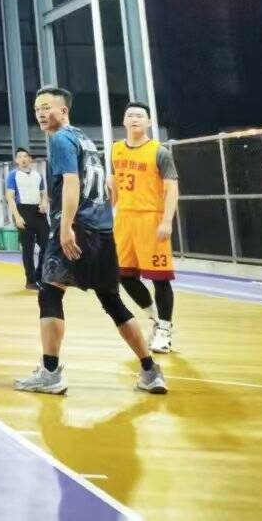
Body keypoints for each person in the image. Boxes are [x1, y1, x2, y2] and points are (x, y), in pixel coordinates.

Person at [14, 87, 167, 397]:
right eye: (37, 109)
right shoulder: (84, 139)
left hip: (77, 227)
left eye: (47, 107)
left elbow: (71, 183)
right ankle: (150, 371)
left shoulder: (61, 139)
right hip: (102, 231)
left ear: (63, 110)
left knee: (50, 293)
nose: (41, 113)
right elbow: (106, 188)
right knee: (112, 301)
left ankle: (50, 373)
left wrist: (66, 227)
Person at [111, 102, 179, 353]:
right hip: (124, 220)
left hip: (151, 219)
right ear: (124, 121)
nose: (135, 119)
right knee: (123, 275)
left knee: (160, 278)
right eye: (130, 115)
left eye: (140, 115)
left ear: (149, 122)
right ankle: (155, 317)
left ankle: (165, 331)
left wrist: (167, 220)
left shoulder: (159, 152)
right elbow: (113, 187)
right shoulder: (116, 150)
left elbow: (172, 189)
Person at [5, 148, 49, 291]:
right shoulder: (13, 175)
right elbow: (10, 197)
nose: (23, 159)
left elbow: (43, 194)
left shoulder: (38, 175)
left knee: (47, 244)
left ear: (30, 159)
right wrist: (17, 217)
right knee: (28, 248)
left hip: (38, 211)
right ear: (16, 160)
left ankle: (40, 275)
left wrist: (44, 204)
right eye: (20, 157)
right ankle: (30, 280)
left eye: (26, 156)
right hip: (22, 211)